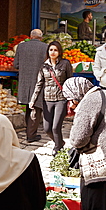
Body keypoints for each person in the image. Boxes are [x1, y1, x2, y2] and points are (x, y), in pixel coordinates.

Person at [63, 79, 106, 210]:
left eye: (71, 99)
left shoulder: (89, 101)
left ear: (77, 92)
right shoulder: (103, 94)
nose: (71, 104)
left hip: (100, 170)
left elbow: (78, 139)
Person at [29, 41, 73, 156]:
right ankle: (60, 142)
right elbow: (39, 84)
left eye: (55, 50)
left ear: (59, 52)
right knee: (47, 128)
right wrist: (33, 100)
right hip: (47, 99)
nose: (53, 52)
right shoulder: (44, 66)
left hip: (61, 99)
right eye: (51, 50)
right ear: (48, 51)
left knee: (55, 127)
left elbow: (70, 81)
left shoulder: (65, 64)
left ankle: (58, 148)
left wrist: (72, 98)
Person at [13, 29, 48, 143]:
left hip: (25, 81)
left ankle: (30, 131)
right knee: (36, 107)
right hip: (39, 81)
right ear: (40, 38)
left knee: (29, 106)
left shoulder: (21, 46)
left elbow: (16, 64)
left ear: (30, 36)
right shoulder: (46, 47)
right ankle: (31, 135)